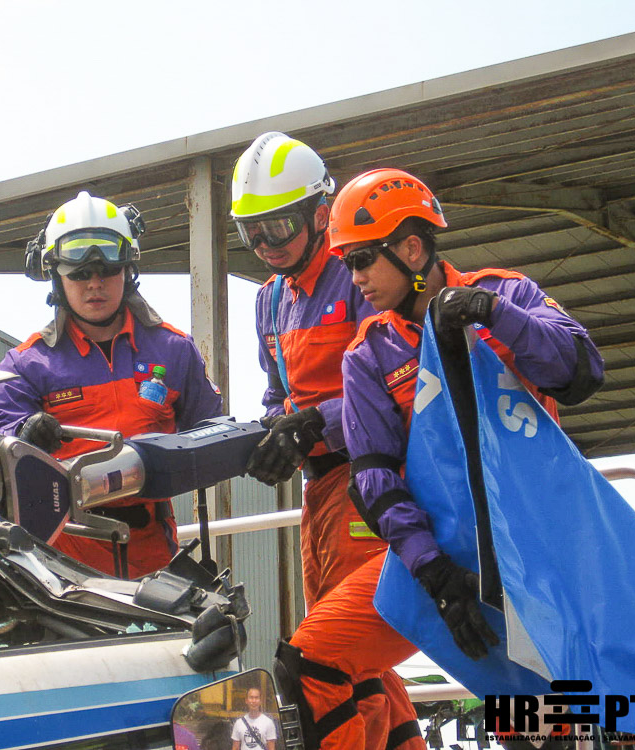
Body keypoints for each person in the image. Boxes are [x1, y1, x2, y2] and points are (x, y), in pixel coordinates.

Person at [272, 167, 604, 750]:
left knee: (542, 732)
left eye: (363, 260)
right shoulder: (369, 351)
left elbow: (580, 370)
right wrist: (436, 576)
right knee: (308, 663)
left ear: (411, 247)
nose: (354, 279)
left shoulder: (506, 292)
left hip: (538, 551)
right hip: (441, 560)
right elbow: (374, 479)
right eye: (347, 262)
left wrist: (490, 315)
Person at [232, 133, 420, 749]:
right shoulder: (270, 301)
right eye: (250, 232)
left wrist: (320, 422)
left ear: (319, 215)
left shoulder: (359, 274)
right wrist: (272, 435)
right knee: (356, 656)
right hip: (318, 493)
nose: (265, 245)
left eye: (277, 227)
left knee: (329, 659)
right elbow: (276, 395)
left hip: (370, 481)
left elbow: (401, 380)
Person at [0, 190, 222, 579]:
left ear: (128, 270)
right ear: (57, 277)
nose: (94, 283)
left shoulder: (174, 350)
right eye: (79, 273)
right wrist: (23, 434)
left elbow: (214, 434)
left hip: (153, 558)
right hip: (59, 564)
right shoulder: (25, 365)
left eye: (107, 271)